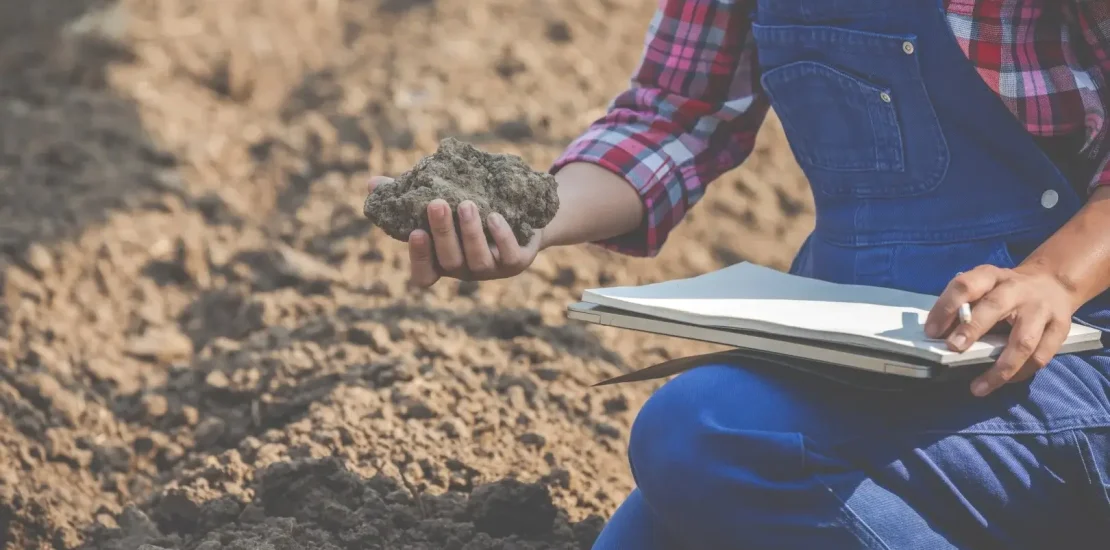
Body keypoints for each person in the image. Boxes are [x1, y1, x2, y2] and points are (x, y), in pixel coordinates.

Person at [368, 0, 1110, 547]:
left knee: (702, 434)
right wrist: (534, 217)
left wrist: (1055, 277)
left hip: (1049, 361)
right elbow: (676, 115)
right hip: (864, 348)